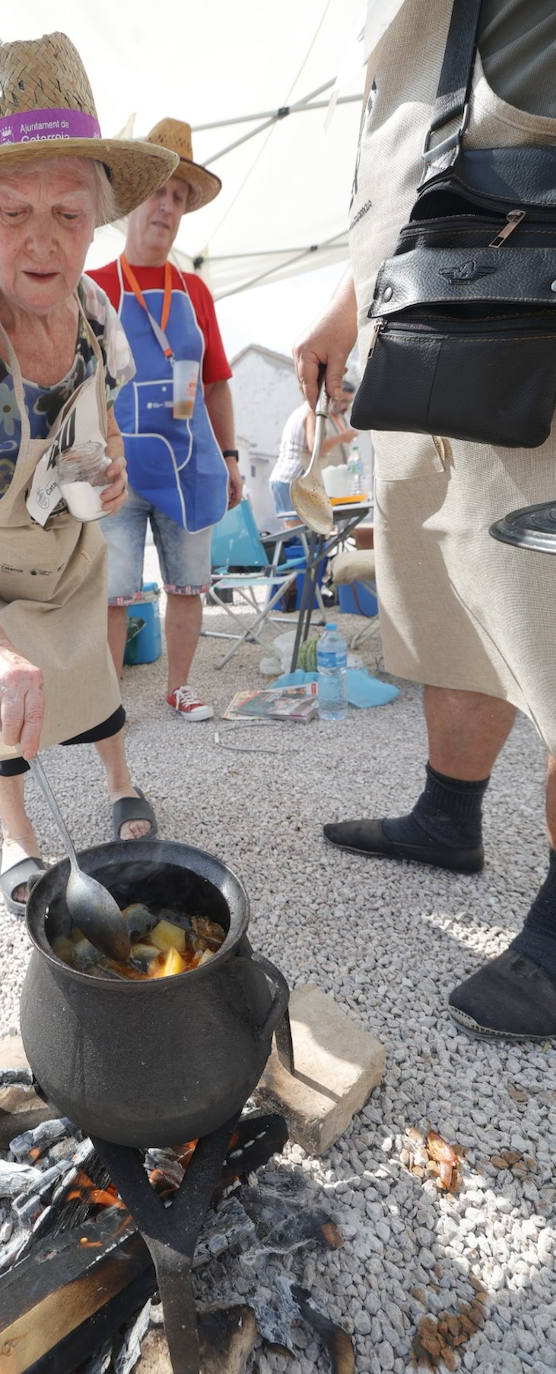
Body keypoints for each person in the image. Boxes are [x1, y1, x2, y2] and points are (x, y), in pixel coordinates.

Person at [294, 0, 556, 1041]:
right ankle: (448, 815)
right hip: (421, 321)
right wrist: (350, 302)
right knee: (448, 592)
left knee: (546, 611)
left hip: (529, 329)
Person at [0, 31, 178, 913]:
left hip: (64, 534)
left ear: (97, 218)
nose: (44, 243)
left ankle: (121, 782)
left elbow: (107, 407)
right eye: (14, 214)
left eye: (69, 215)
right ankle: (17, 835)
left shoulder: (93, 304)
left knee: (92, 674)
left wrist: (116, 472)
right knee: (6, 706)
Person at [88, 119, 242, 723]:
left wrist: (229, 457)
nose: (168, 206)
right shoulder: (93, 287)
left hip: (186, 463)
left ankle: (179, 686)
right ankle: (105, 700)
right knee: (113, 593)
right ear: (131, 200)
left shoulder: (196, 291)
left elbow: (216, 383)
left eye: (179, 197)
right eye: (158, 191)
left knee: (187, 585)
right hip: (120, 469)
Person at [269, 382, 357, 526]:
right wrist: (342, 437)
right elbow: (315, 448)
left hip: (284, 477)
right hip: (294, 479)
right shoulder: (311, 412)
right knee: (301, 534)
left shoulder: (300, 410)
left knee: (298, 534)